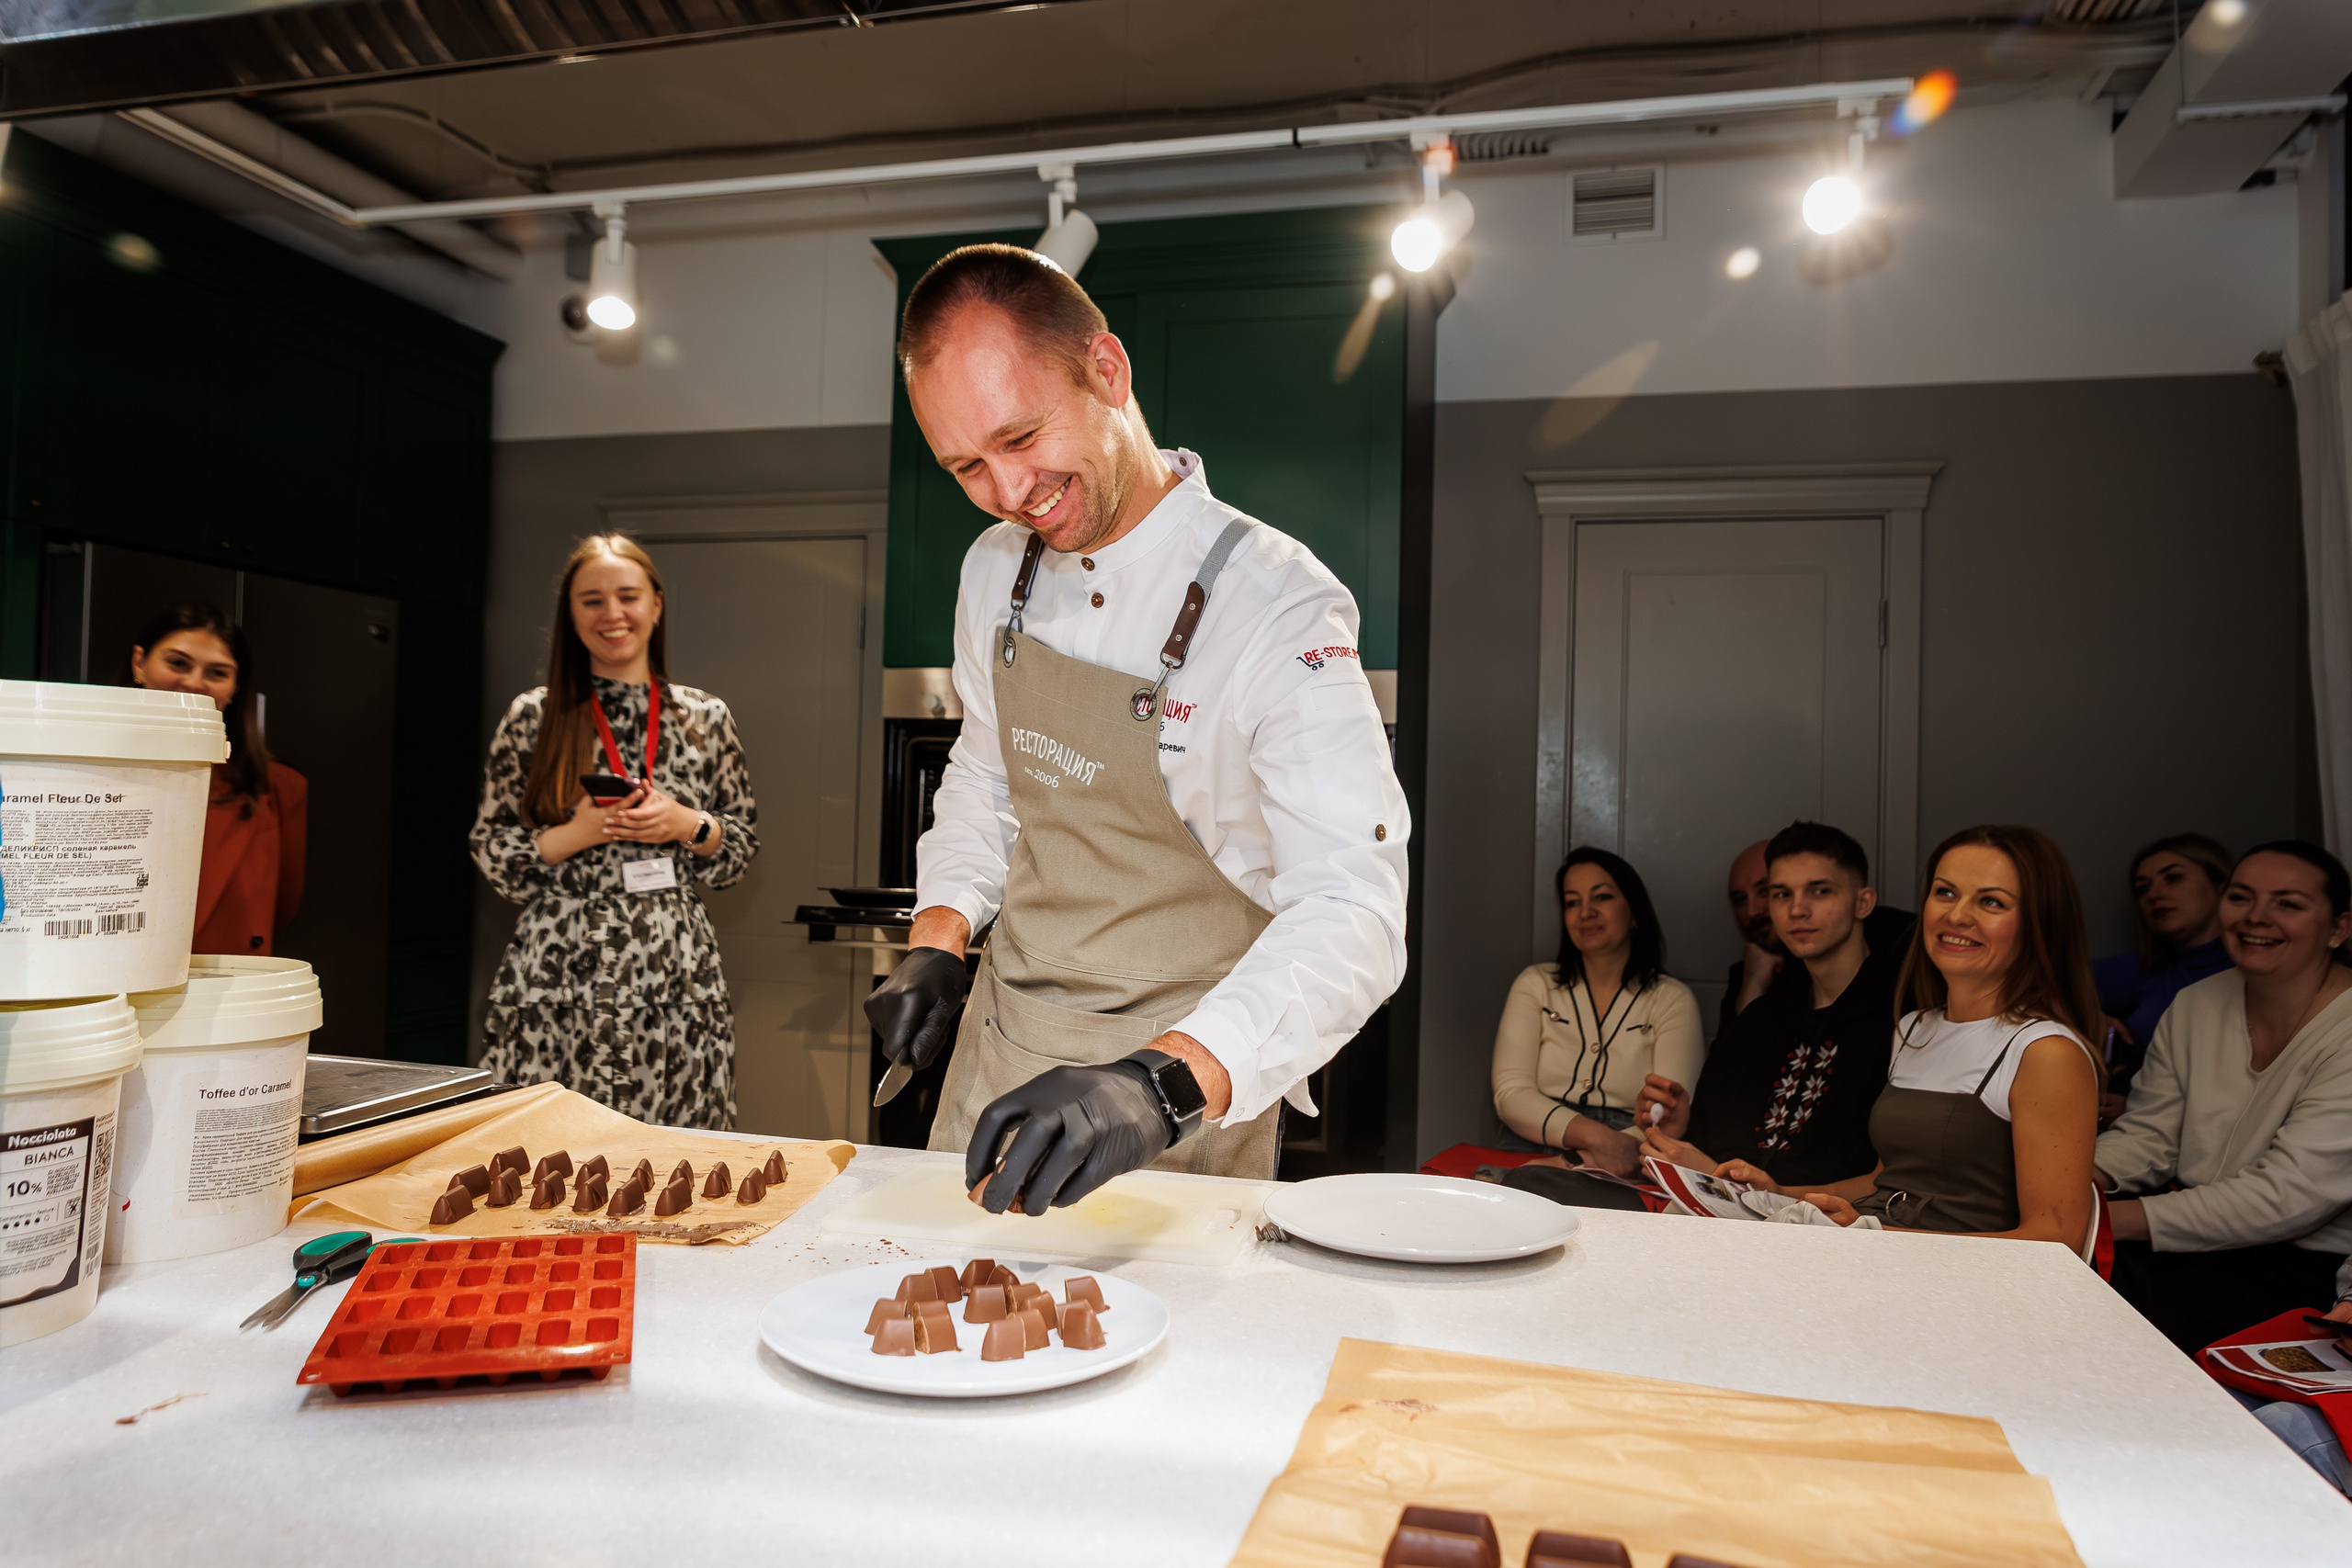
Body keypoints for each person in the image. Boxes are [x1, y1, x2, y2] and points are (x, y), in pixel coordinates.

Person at [863, 244, 1408, 1211]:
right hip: (1006, 1052)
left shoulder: (1274, 601)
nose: (1006, 491)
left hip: (1184, 1088)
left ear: (1106, 372)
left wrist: (1156, 1085)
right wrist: (939, 938)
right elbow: (987, 781)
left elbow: (1353, 912)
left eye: (1021, 436)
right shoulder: (993, 571)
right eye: (966, 466)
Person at [469, 535, 758, 1129]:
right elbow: (491, 850)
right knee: (544, 1150)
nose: (612, 614)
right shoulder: (535, 715)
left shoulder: (704, 717)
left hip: (674, 966)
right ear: (570, 616)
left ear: (656, 604)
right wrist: (577, 832)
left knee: (675, 1152)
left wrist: (688, 824)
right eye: (592, 600)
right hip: (558, 965)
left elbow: (740, 850)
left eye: (627, 596)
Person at [1725, 826, 2103, 1247]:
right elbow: (1885, 1182)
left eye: (1991, 901)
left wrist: (1880, 1238)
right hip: (1876, 1254)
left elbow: (2057, 1239)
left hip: (1954, 1287)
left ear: (2039, 922)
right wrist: (1771, 1195)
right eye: (1945, 893)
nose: (1957, 915)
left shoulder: (2046, 1053)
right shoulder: (1913, 1028)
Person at [2096, 841, 2352, 1353]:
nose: (2257, 917)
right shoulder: (2197, 1003)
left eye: (2288, 903)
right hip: (2186, 1242)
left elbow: (2289, 1196)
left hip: (2296, 1269)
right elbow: (2149, 1135)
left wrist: (2103, 1219)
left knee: (2111, 1334)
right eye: (2242, 897)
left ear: (2338, 929)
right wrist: (2072, 1181)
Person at [1639, 821, 1911, 1192]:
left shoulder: (1904, 1019)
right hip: (1724, 1224)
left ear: (1863, 902)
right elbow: (1712, 1145)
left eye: (1819, 891)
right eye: (1781, 894)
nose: (1798, 909)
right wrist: (1677, 1132)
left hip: (1839, 1234)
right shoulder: (1760, 1019)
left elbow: (1901, 1180)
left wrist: (1756, 1192)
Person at [1489, 848, 1702, 1181]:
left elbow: (1669, 1113)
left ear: (1634, 912)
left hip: (1633, 1151)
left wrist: (1588, 1158)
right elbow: (1510, 1094)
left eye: (1601, 897)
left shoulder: (1671, 999)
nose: (1585, 912)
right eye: (1572, 902)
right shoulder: (1535, 984)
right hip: (1531, 1138)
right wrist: (1596, 1141)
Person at [128, 603, 307, 956]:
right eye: (177, 663)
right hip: (104, 994)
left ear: (235, 687)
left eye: (217, 672)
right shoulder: (74, 770)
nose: (194, 683)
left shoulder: (280, 786)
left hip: (220, 994)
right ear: (139, 663)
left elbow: (282, 908)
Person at [2093, 833, 2233, 1105]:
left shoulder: (2259, 968)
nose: (2154, 895)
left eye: (2173, 878)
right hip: (2145, 1132)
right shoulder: (2144, 970)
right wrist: (2085, 1014)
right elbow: (2024, 983)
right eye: (2143, 888)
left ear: (2221, 884)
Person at [1719, 839, 1783, 1034]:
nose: (1752, 911)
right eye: (1740, 900)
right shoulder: (1745, 973)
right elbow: (1724, 1062)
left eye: (1765, 892)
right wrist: (1752, 989)